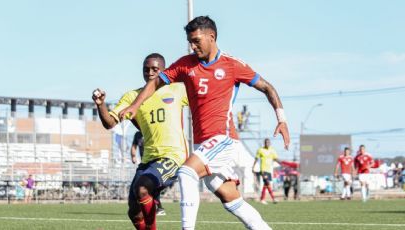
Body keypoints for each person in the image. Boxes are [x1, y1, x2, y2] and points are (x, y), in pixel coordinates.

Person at [120, 16, 290, 230]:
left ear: (212, 37)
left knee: (186, 172)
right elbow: (155, 83)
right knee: (230, 197)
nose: (193, 46)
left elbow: (267, 87)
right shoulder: (185, 64)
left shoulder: (232, 65)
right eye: (190, 42)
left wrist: (281, 119)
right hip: (203, 145)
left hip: (223, 138)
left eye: (197, 41)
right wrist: (135, 106)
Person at [92, 53, 188, 230]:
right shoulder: (132, 97)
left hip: (172, 156)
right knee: (134, 212)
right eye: (146, 69)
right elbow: (109, 123)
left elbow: (203, 100)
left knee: (143, 190)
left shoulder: (177, 89)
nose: (150, 72)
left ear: (164, 71)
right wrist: (101, 104)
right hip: (148, 160)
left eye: (155, 69)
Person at [131, 130, 166, 216]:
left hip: (154, 163)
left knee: (153, 186)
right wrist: (133, 156)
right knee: (137, 184)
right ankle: (142, 207)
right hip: (144, 163)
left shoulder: (152, 130)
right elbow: (134, 146)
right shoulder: (138, 134)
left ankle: (159, 207)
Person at [252, 138, 281, 204]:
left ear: (270, 143)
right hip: (263, 170)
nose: (267, 144)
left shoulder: (272, 150)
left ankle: (262, 199)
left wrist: (283, 164)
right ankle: (273, 198)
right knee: (267, 183)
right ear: (264, 143)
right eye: (266, 142)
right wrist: (253, 167)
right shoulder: (260, 150)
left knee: (266, 184)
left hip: (269, 170)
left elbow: (276, 159)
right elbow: (256, 159)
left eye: (268, 142)